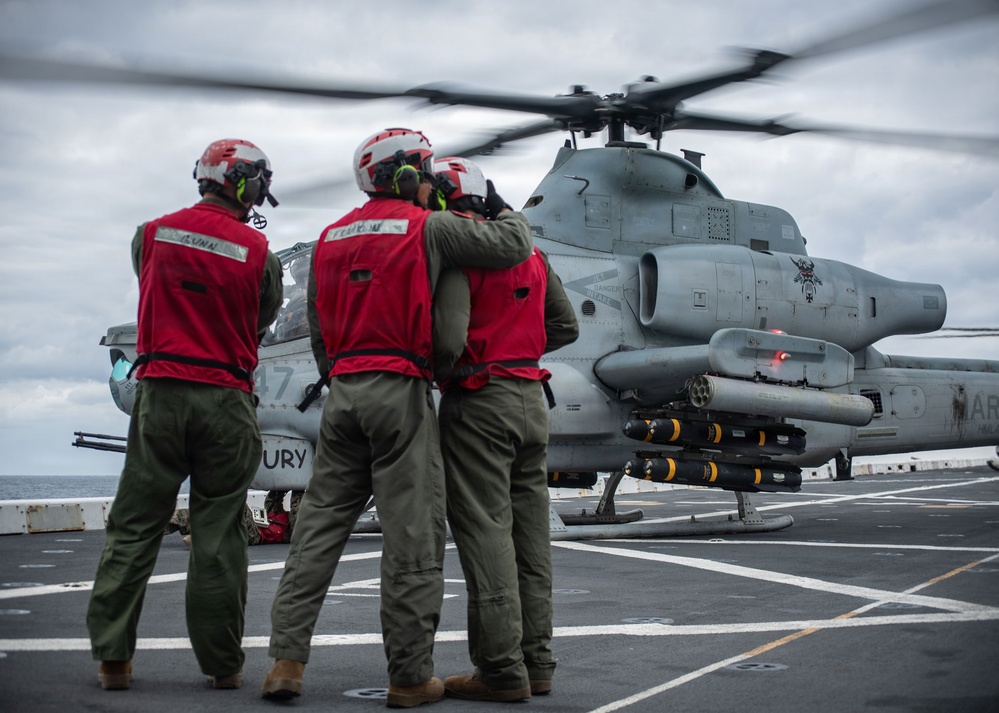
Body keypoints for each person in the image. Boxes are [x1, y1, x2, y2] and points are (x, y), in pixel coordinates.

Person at [261, 128, 534, 707]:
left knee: (316, 532)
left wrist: (338, 376)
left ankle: (285, 661)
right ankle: (410, 676)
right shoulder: (429, 227)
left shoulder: (331, 236)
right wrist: (498, 203)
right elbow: (510, 246)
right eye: (426, 169)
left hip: (343, 392)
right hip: (400, 388)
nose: (433, 178)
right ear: (407, 173)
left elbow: (315, 321)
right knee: (413, 536)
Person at [86, 138, 284, 691]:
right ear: (246, 183)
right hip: (225, 399)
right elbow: (264, 313)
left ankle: (113, 660)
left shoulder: (150, 234)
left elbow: (146, 273)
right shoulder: (258, 254)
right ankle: (223, 665)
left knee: (134, 526)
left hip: (161, 396)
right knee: (218, 532)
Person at [430, 157, 578, 701]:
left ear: (447, 200)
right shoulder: (533, 256)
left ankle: (499, 670)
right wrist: (520, 350)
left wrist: (438, 372)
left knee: (485, 537)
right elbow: (565, 324)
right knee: (531, 540)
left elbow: (447, 341)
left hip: (478, 402)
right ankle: (538, 663)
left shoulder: (460, 255)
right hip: (530, 404)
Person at [165, 489, 304, 546]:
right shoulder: (280, 517)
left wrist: (299, 488)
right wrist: (282, 488)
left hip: (254, 535)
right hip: (251, 526)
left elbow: (297, 510)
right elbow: (272, 502)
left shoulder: (298, 528)